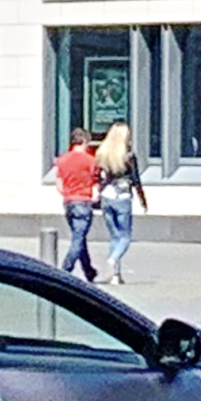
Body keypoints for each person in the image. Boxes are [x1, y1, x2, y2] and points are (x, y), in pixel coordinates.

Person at [95, 120, 149, 284]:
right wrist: (143, 200)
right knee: (125, 237)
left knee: (114, 236)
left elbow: (98, 176)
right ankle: (113, 260)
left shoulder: (102, 154)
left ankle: (115, 276)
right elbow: (135, 180)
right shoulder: (128, 156)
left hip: (106, 196)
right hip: (122, 198)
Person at [53, 127, 101, 283]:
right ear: (85, 142)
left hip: (68, 201)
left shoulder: (63, 160)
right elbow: (96, 182)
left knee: (79, 237)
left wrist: (68, 193)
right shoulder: (90, 160)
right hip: (83, 201)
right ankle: (65, 269)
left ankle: (89, 270)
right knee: (78, 239)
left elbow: (59, 185)